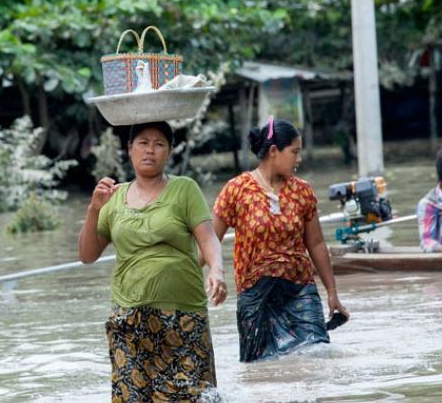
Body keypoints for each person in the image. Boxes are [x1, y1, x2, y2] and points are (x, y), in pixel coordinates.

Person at [78, 121, 227, 401]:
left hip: (183, 317)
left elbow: (208, 238)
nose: (151, 150)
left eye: (159, 144)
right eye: (143, 143)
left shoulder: (185, 189)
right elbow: (87, 256)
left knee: (194, 396)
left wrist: (217, 270)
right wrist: (94, 209)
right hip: (129, 319)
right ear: (130, 149)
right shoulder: (113, 197)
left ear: (169, 152)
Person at [211, 117, 349, 362]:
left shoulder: (302, 191)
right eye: (295, 152)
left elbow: (316, 244)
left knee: (318, 356)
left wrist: (332, 292)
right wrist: (210, 273)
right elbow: (209, 240)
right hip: (255, 296)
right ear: (274, 151)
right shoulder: (236, 190)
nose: (299, 159)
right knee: (261, 370)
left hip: (299, 290)